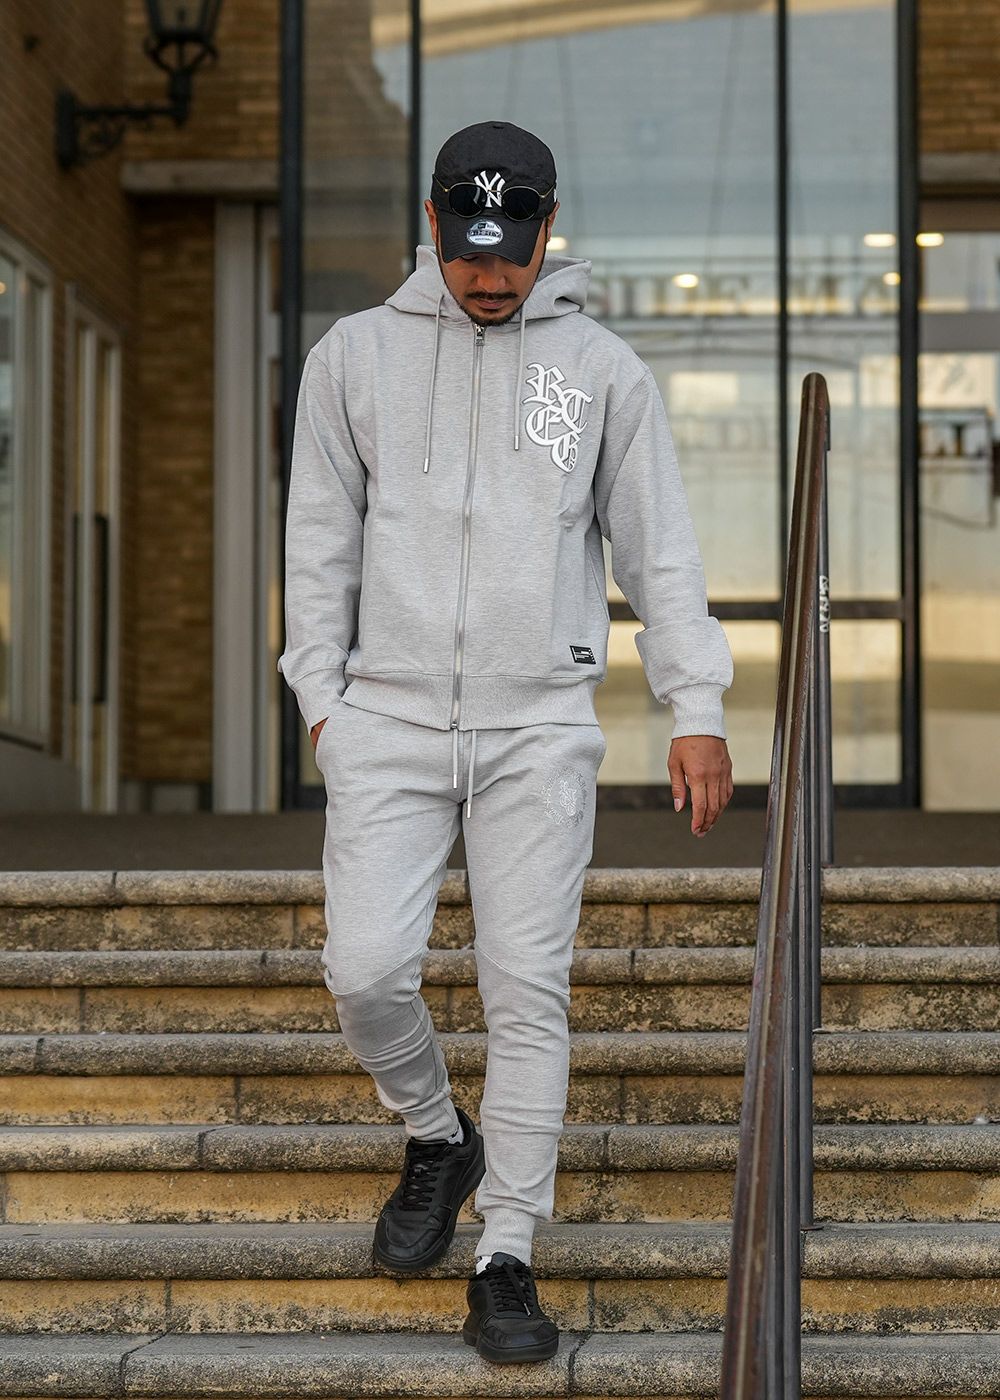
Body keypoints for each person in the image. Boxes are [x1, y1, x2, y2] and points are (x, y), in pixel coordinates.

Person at [277, 119, 734, 1366]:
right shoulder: (353, 356)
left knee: (526, 989)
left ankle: (507, 1251)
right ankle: (437, 1131)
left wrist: (695, 705)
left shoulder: (599, 370)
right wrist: (325, 703)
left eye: (512, 250)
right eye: (469, 249)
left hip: (537, 720)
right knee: (366, 970)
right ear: (432, 224)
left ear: (548, 230)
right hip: (388, 717)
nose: (490, 274)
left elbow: (658, 550)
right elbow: (317, 544)